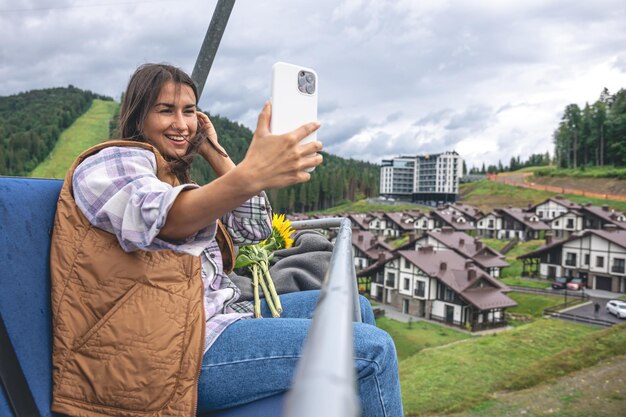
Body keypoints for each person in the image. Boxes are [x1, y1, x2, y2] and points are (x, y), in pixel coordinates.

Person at [49, 63, 403, 417]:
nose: (181, 123)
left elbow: (257, 229)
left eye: (189, 111)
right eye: (165, 110)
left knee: (356, 308)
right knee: (374, 350)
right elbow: (166, 219)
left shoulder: (169, 175)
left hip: (213, 320)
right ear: (138, 115)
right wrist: (252, 173)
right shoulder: (112, 162)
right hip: (171, 354)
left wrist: (214, 151)